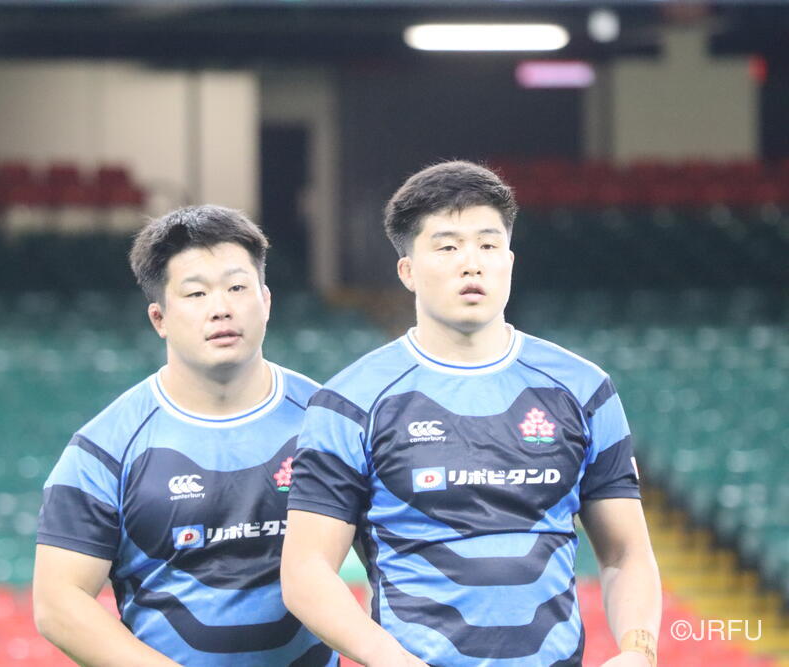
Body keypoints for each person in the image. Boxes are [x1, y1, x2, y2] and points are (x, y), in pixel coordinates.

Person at [281, 160, 661, 667]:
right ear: (407, 271)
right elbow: (306, 571)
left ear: (510, 261)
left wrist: (639, 650)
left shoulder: (584, 388)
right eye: (447, 247)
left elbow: (625, 554)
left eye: (488, 244)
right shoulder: (349, 403)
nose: (471, 264)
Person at [33, 205, 335, 666]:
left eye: (237, 287)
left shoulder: (331, 423)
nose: (221, 308)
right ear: (159, 318)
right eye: (196, 293)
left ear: (266, 301)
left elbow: (394, 551)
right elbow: (58, 603)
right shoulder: (105, 448)